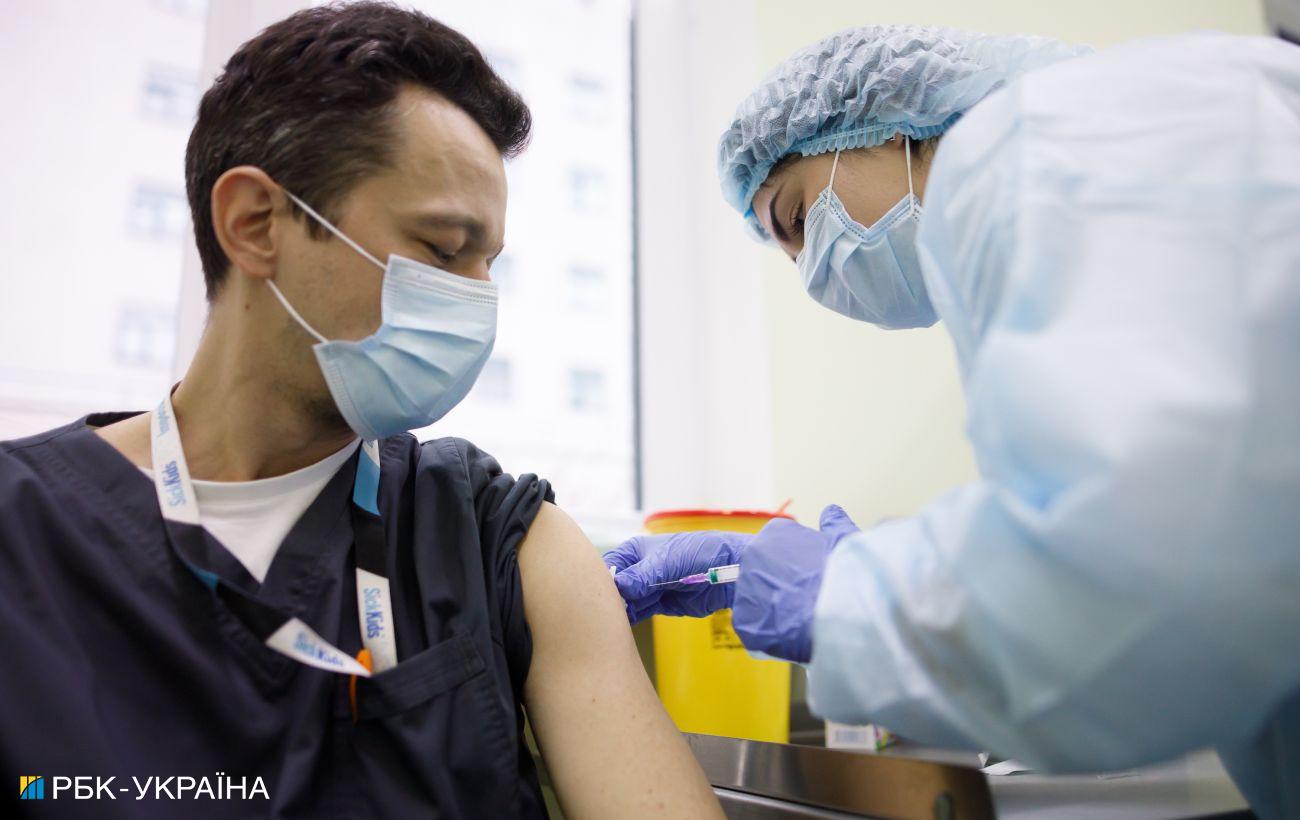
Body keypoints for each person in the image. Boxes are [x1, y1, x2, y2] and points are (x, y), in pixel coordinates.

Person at [0, 4, 722, 818]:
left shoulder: (492, 535)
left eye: (488, 263)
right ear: (255, 224)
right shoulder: (22, 531)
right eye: (443, 249)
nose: (478, 303)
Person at [607, 24, 1300, 817]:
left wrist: (844, 596)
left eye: (796, 217)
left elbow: (1138, 589)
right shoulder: (1112, 143)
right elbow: (1197, 507)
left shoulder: (1024, 156)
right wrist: (857, 569)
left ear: (882, 124)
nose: (810, 271)